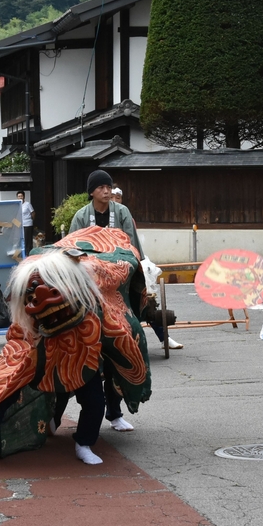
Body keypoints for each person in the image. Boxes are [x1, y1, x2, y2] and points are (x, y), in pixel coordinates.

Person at [67, 170, 178, 433]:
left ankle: (115, 412)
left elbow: (132, 248)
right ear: (92, 191)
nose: (107, 191)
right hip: (91, 290)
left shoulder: (123, 213)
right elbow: (70, 249)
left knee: (121, 351)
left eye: (109, 186)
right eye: (101, 187)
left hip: (120, 291)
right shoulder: (81, 216)